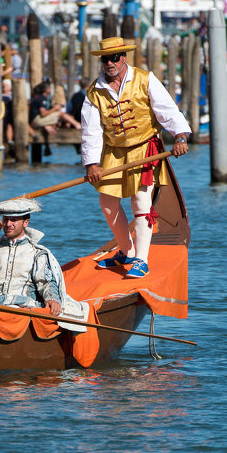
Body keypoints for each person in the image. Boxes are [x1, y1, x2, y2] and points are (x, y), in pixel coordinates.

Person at [81, 36, 191, 279]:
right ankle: (126, 251)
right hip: (114, 151)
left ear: (124, 58)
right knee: (107, 202)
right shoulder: (94, 92)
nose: (110, 63)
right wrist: (92, 164)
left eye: (115, 57)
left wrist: (180, 137)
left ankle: (142, 260)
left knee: (141, 203)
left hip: (144, 148)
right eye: (105, 59)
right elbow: (91, 131)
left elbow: (168, 111)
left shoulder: (145, 79)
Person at [0, 198, 86, 319]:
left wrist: (52, 299)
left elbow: (45, 283)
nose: (8, 224)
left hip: (24, 306)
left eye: (13, 220)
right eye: (6, 219)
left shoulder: (37, 254)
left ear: (26, 222)